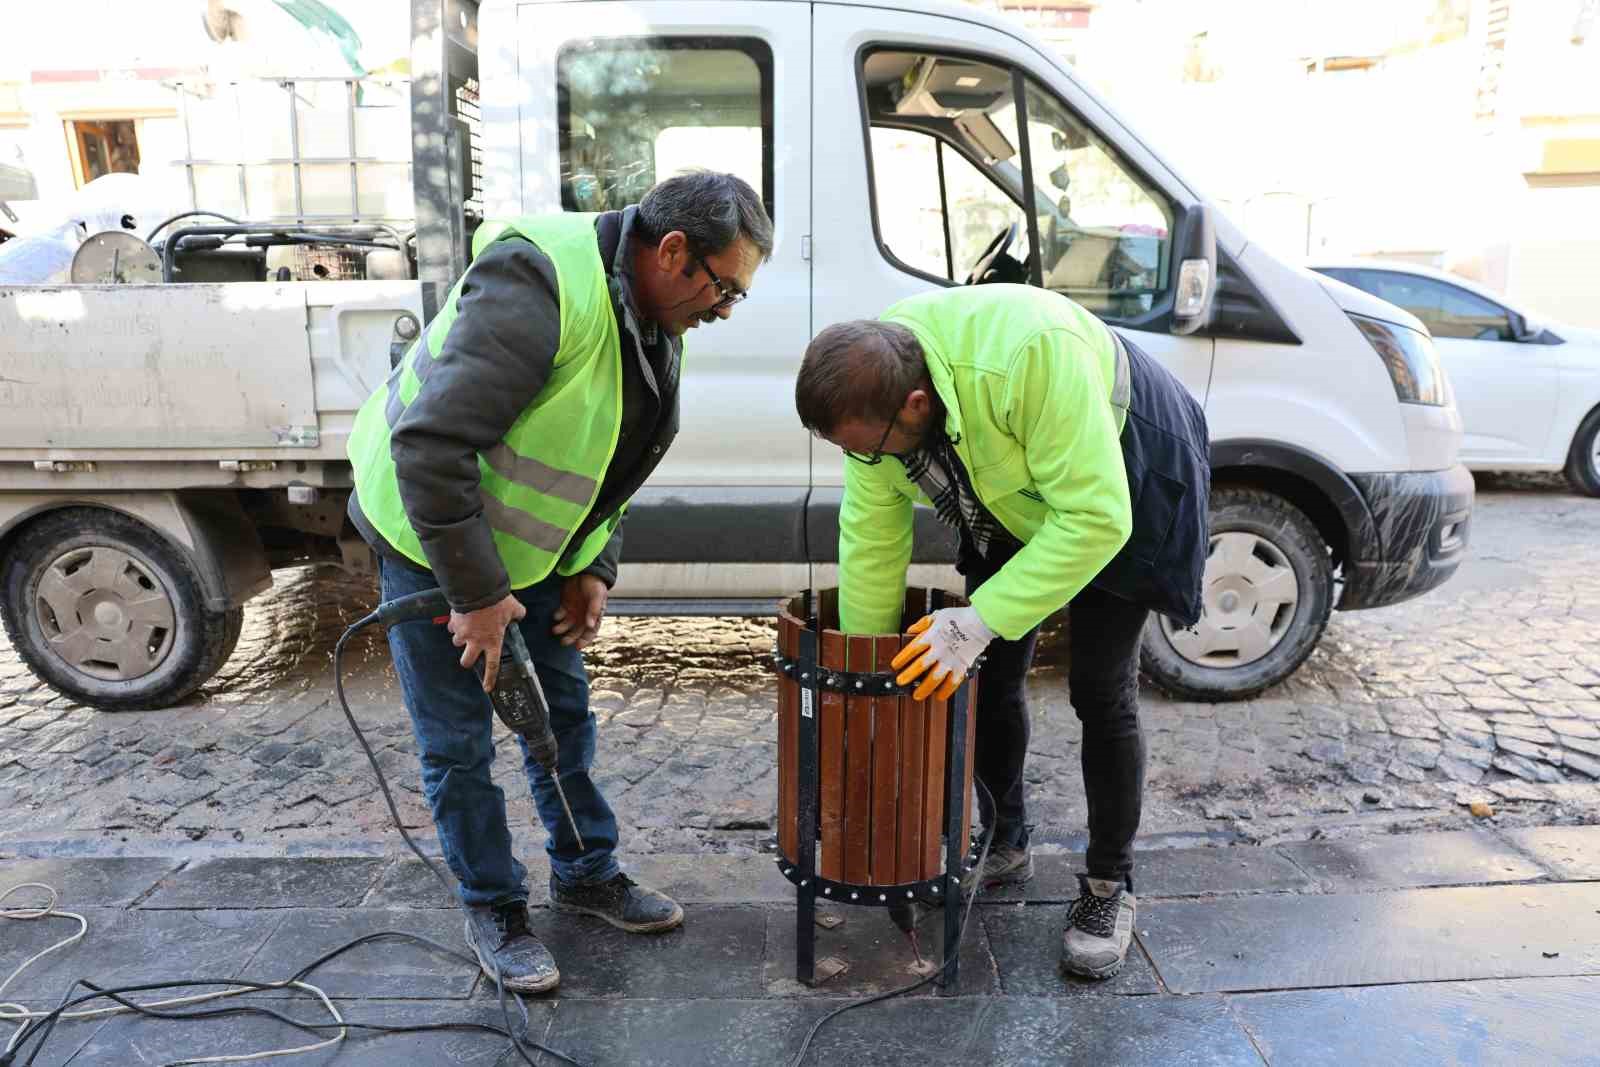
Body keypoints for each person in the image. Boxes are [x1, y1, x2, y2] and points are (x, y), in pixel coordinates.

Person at [346, 172, 773, 992]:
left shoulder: (651, 305)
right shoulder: (537, 282)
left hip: (526, 550)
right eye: (724, 289)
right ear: (673, 250)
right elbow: (432, 448)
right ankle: (493, 904)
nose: (725, 309)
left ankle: (585, 872)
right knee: (461, 741)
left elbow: (610, 450)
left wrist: (591, 566)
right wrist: (473, 598)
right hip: (431, 536)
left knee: (560, 717)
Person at [795, 283, 1209, 980]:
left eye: (870, 451)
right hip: (1007, 474)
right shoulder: (870, 395)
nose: (862, 461)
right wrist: (869, 677)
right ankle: (1007, 838)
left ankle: (1110, 886)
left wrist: (980, 618)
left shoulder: (1030, 358)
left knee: (1099, 690)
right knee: (987, 674)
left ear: (915, 407)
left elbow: (1095, 519)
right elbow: (871, 539)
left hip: (1125, 468)